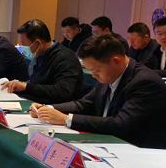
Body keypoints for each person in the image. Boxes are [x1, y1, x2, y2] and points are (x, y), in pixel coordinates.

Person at [32, 34, 166, 148]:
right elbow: (84, 104)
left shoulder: (145, 82)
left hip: (137, 150)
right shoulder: (110, 74)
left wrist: (67, 119)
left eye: (96, 70)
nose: (93, 75)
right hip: (110, 144)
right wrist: (48, 108)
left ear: (116, 61)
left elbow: (121, 124)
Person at [1, 20, 83, 104]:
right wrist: (21, 85)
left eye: (24, 43)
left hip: (54, 107)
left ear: (37, 43)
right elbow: (36, 83)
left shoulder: (66, 58)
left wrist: (26, 87)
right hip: (38, 101)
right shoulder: (40, 54)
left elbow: (63, 91)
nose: (22, 48)